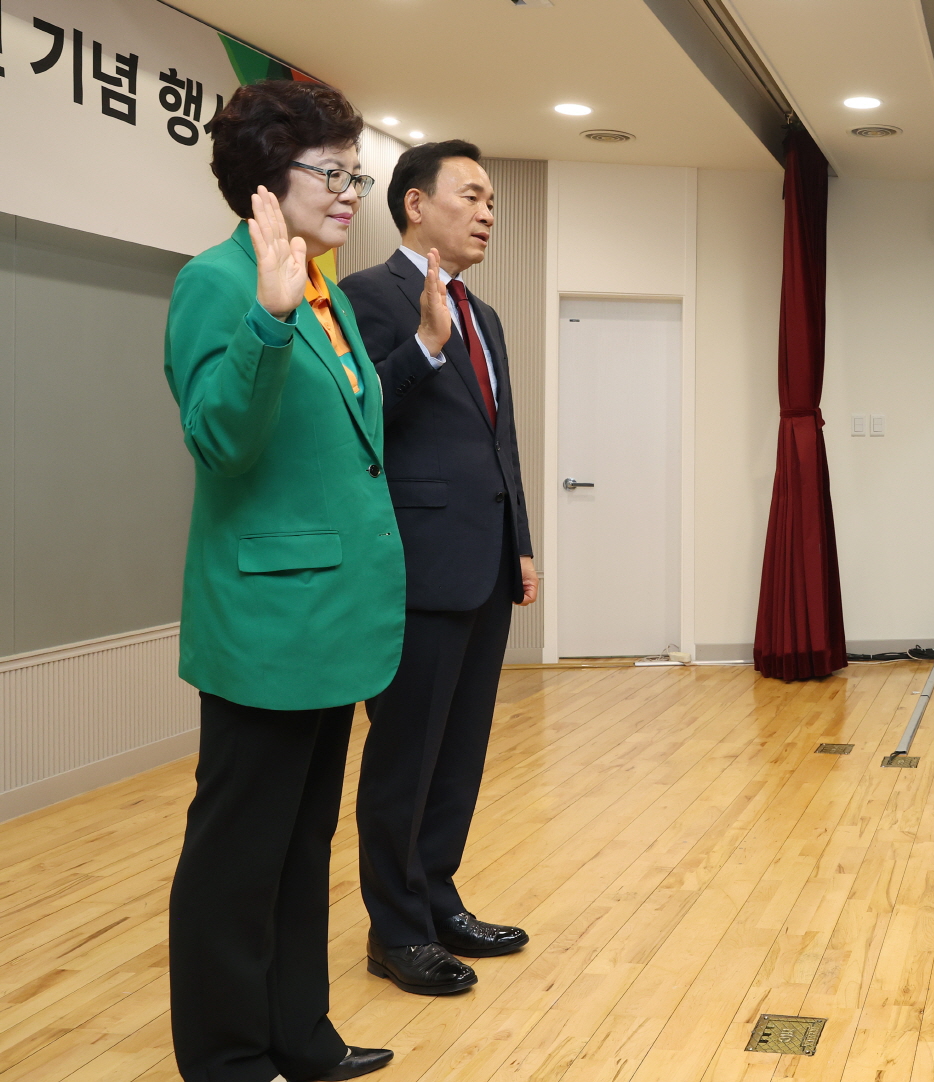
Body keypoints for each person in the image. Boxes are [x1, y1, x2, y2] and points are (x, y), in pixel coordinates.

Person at [164, 81, 402, 1082]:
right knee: (237, 856)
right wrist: (266, 319)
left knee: (304, 844)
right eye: (331, 172)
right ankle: (225, 1057)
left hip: (330, 618)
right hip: (266, 624)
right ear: (266, 178)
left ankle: (301, 1035)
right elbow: (218, 439)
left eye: (356, 174)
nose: (350, 192)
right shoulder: (219, 283)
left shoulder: (324, 287)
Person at [341, 140, 538, 995]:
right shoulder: (367, 296)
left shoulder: (484, 315)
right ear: (416, 204)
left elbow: (500, 439)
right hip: (416, 567)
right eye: (472, 195)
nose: (488, 212)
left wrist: (520, 540)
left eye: (492, 200)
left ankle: (438, 901)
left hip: (485, 562)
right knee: (406, 756)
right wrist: (423, 345)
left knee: (458, 754)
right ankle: (394, 930)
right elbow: (357, 414)